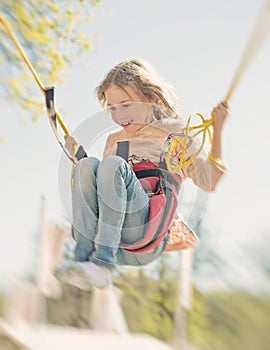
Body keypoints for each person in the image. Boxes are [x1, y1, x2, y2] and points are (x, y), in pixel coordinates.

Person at [56, 57, 229, 289]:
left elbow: (210, 183)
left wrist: (218, 130)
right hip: (120, 239)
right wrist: (79, 160)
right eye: (113, 108)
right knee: (88, 167)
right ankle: (84, 262)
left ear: (151, 98)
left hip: (149, 230)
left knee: (112, 165)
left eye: (126, 105)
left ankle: (102, 264)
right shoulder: (114, 140)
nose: (119, 116)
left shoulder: (175, 133)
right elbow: (106, 193)